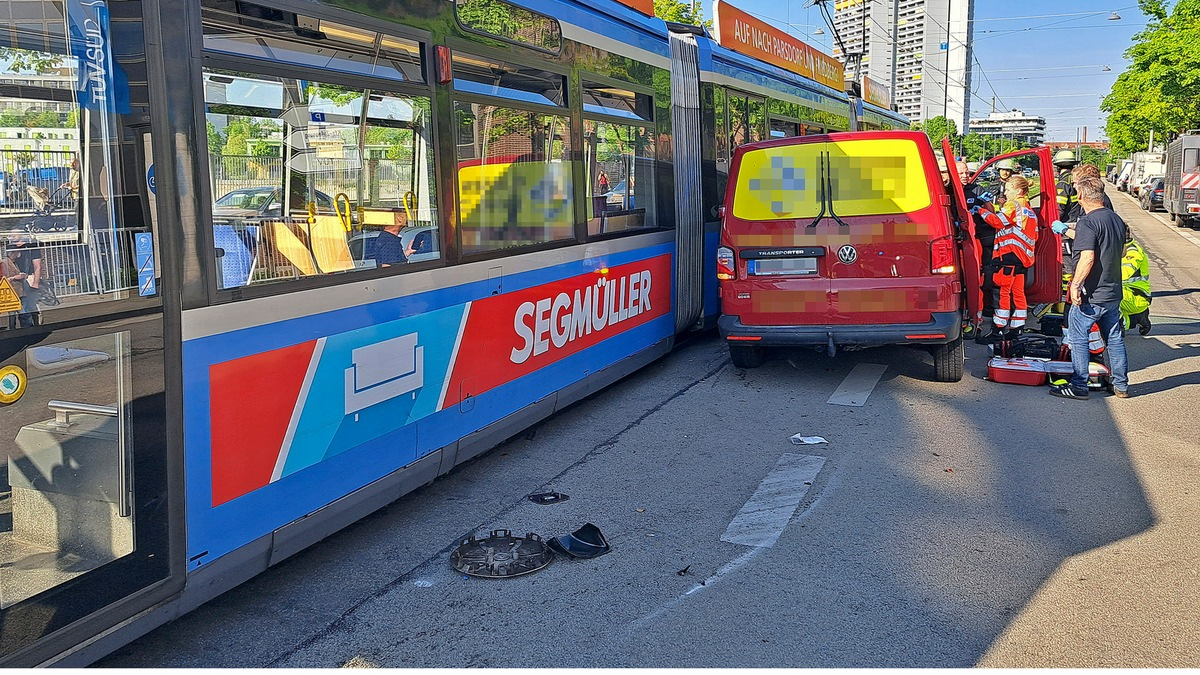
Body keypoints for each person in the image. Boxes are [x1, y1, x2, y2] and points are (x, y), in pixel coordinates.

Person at [1050, 176, 1129, 400]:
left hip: (1091, 293)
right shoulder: (1115, 219)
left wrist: (1076, 285)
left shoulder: (1088, 222)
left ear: (1081, 196)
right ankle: (1121, 385)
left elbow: (1087, 257)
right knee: (1114, 338)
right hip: (1112, 291)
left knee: (1078, 337)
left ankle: (1079, 385)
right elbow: (1121, 252)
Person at [974, 175, 1038, 337]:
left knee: (1002, 291)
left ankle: (998, 329)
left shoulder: (1013, 205)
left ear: (1018, 191)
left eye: (1008, 189)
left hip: (1008, 256)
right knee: (1018, 293)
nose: (1005, 192)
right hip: (1023, 259)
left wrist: (980, 210)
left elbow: (997, 221)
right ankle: (1017, 328)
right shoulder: (1029, 209)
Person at [1120, 226, 1152, 335]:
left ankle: (1118, 327)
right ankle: (1136, 319)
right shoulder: (1117, 249)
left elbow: (1124, 273)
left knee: (1108, 294)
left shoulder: (1133, 252)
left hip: (1137, 296)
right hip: (1127, 295)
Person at [6, 235, 41, 328]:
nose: (19, 255)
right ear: (12, 253)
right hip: (13, 292)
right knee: (20, 312)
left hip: (20, 291)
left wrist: (22, 276)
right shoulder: (6, 263)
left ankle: (26, 327)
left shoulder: (15, 263)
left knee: (25, 311)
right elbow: (5, 278)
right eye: (17, 253)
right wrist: (14, 277)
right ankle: (18, 329)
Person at [1053, 149, 1079, 223]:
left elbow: (1060, 208)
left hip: (1066, 223)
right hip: (1075, 219)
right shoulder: (1075, 179)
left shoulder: (1063, 183)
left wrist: (1053, 222)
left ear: (1058, 167)